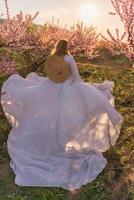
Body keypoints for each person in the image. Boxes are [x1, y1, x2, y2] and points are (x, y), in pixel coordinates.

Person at [0, 39, 123, 190]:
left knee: (48, 115)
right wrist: (86, 88)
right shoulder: (69, 58)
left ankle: (51, 142)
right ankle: (61, 143)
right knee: (71, 115)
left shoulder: (52, 57)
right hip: (68, 90)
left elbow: (51, 74)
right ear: (67, 48)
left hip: (49, 87)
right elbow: (77, 78)